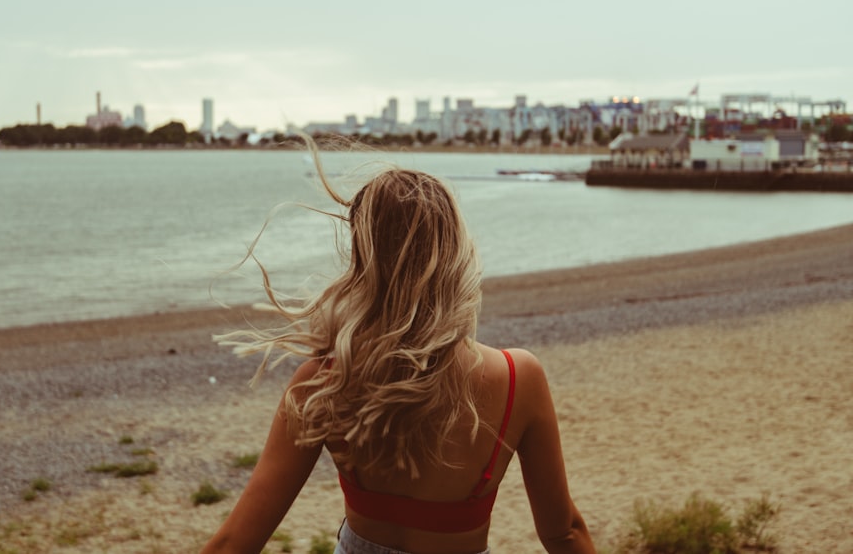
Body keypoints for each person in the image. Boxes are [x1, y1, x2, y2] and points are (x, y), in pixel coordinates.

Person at [200, 147, 594, 554]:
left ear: (362, 259)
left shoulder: (325, 382)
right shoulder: (517, 378)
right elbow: (563, 532)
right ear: (454, 251)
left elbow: (235, 543)